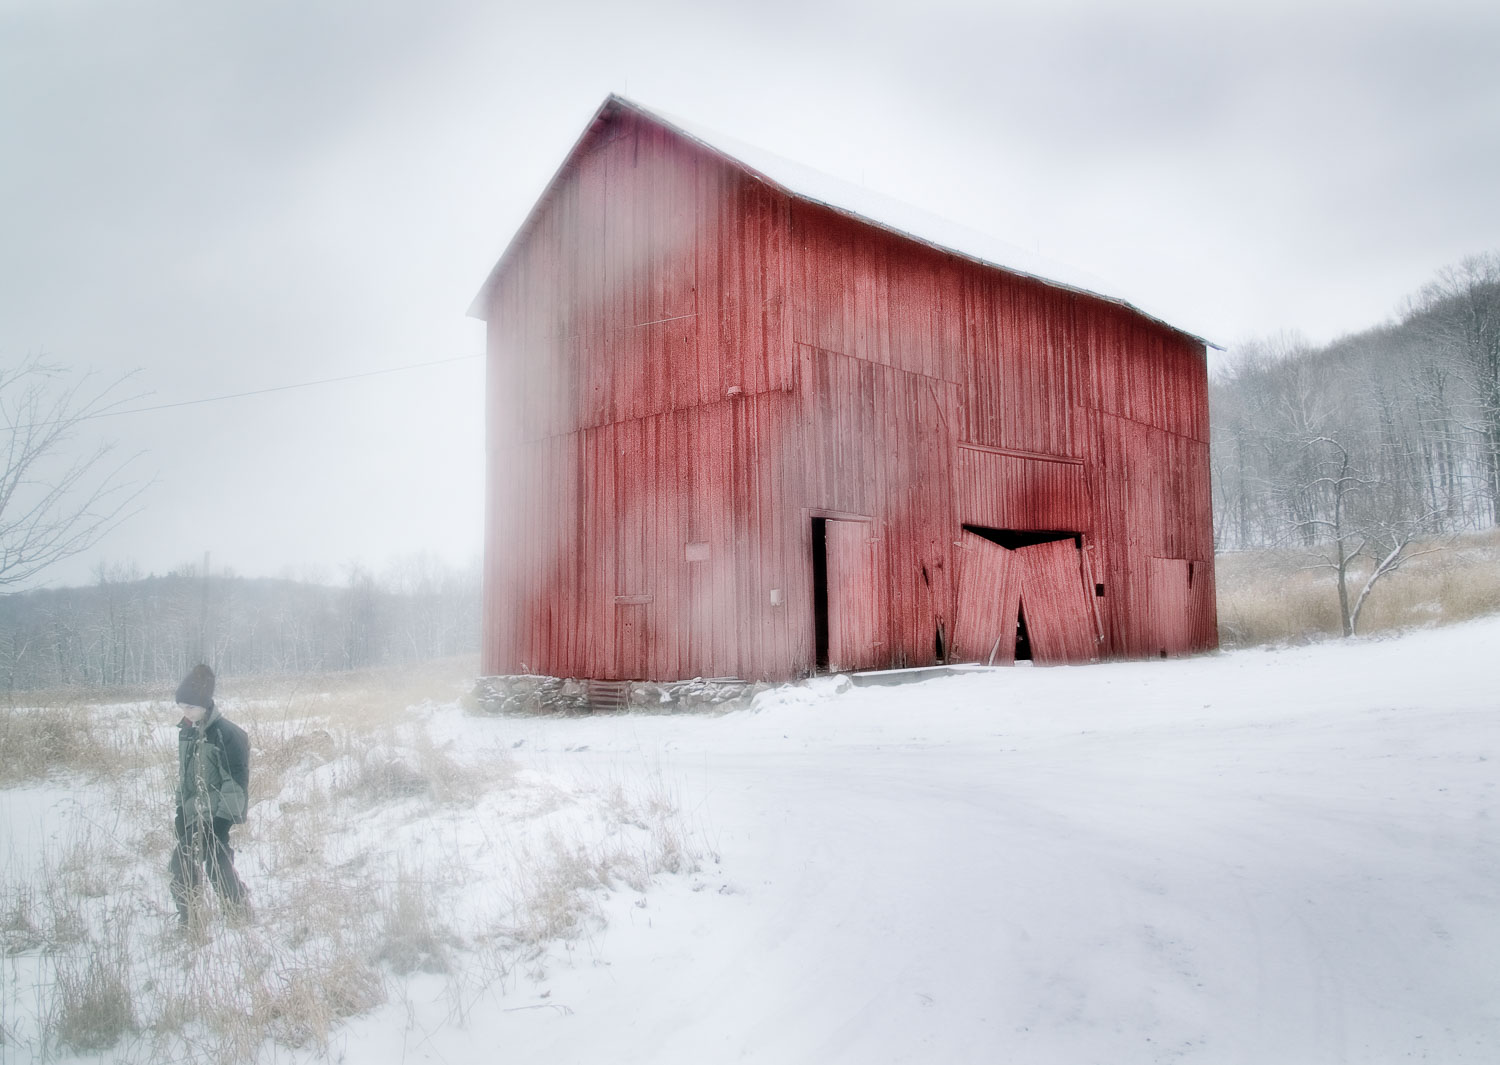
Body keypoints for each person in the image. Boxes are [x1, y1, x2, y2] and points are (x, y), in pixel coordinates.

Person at [168, 664, 251, 923]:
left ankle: (198, 919)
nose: (186, 713)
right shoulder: (189, 732)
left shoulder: (226, 735)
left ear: (205, 703)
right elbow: (187, 777)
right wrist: (181, 810)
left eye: (190, 707)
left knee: (189, 863)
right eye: (182, 707)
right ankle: (216, 913)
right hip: (195, 812)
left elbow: (235, 782)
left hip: (215, 814)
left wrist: (223, 821)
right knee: (211, 863)